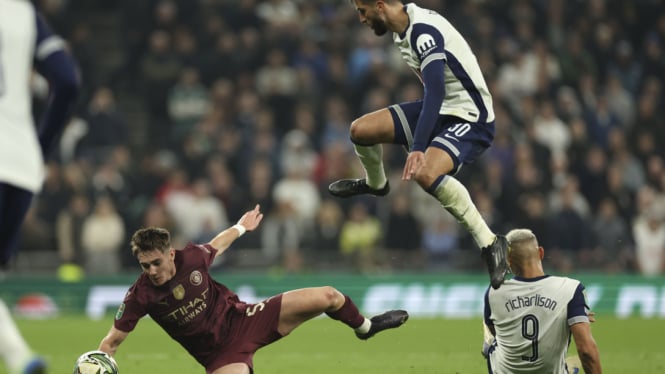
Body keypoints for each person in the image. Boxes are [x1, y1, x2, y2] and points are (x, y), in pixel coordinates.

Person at [98, 205, 409, 374]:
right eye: (144, 266)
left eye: (155, 263)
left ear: (169, 253)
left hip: (246, 318)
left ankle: (366, 328)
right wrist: (95, 363)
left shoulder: (192, 258)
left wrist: (242, 226)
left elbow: (217, 244)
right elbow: (112, 342)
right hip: (219, 355)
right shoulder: (139, 295)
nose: (151, 271)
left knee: (328, 295)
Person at [329, 0, 508, 288]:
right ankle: (376, 184)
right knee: (360, 130)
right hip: (441, 110)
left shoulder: (422, 31)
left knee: (426, 173)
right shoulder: (401, 30)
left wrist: (417, 147)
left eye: (362, 11)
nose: (361, 19)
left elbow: (435, 91)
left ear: (380, 6)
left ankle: (490, 243)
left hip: (470, 115)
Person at [0, 1, 80, 373]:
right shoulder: (24, 14)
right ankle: (20, 358)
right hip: (19, 162)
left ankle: (19, 358)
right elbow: (67, 80)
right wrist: (40, 146)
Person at [482, 228, 602, 373]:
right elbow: (586, 351)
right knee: (570, 362)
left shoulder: (494, 292)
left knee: (495, 339)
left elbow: (498, 332)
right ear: (541, 253)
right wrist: (567, 315)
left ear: (508, 261)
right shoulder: (570, 290)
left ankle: (488, 345)